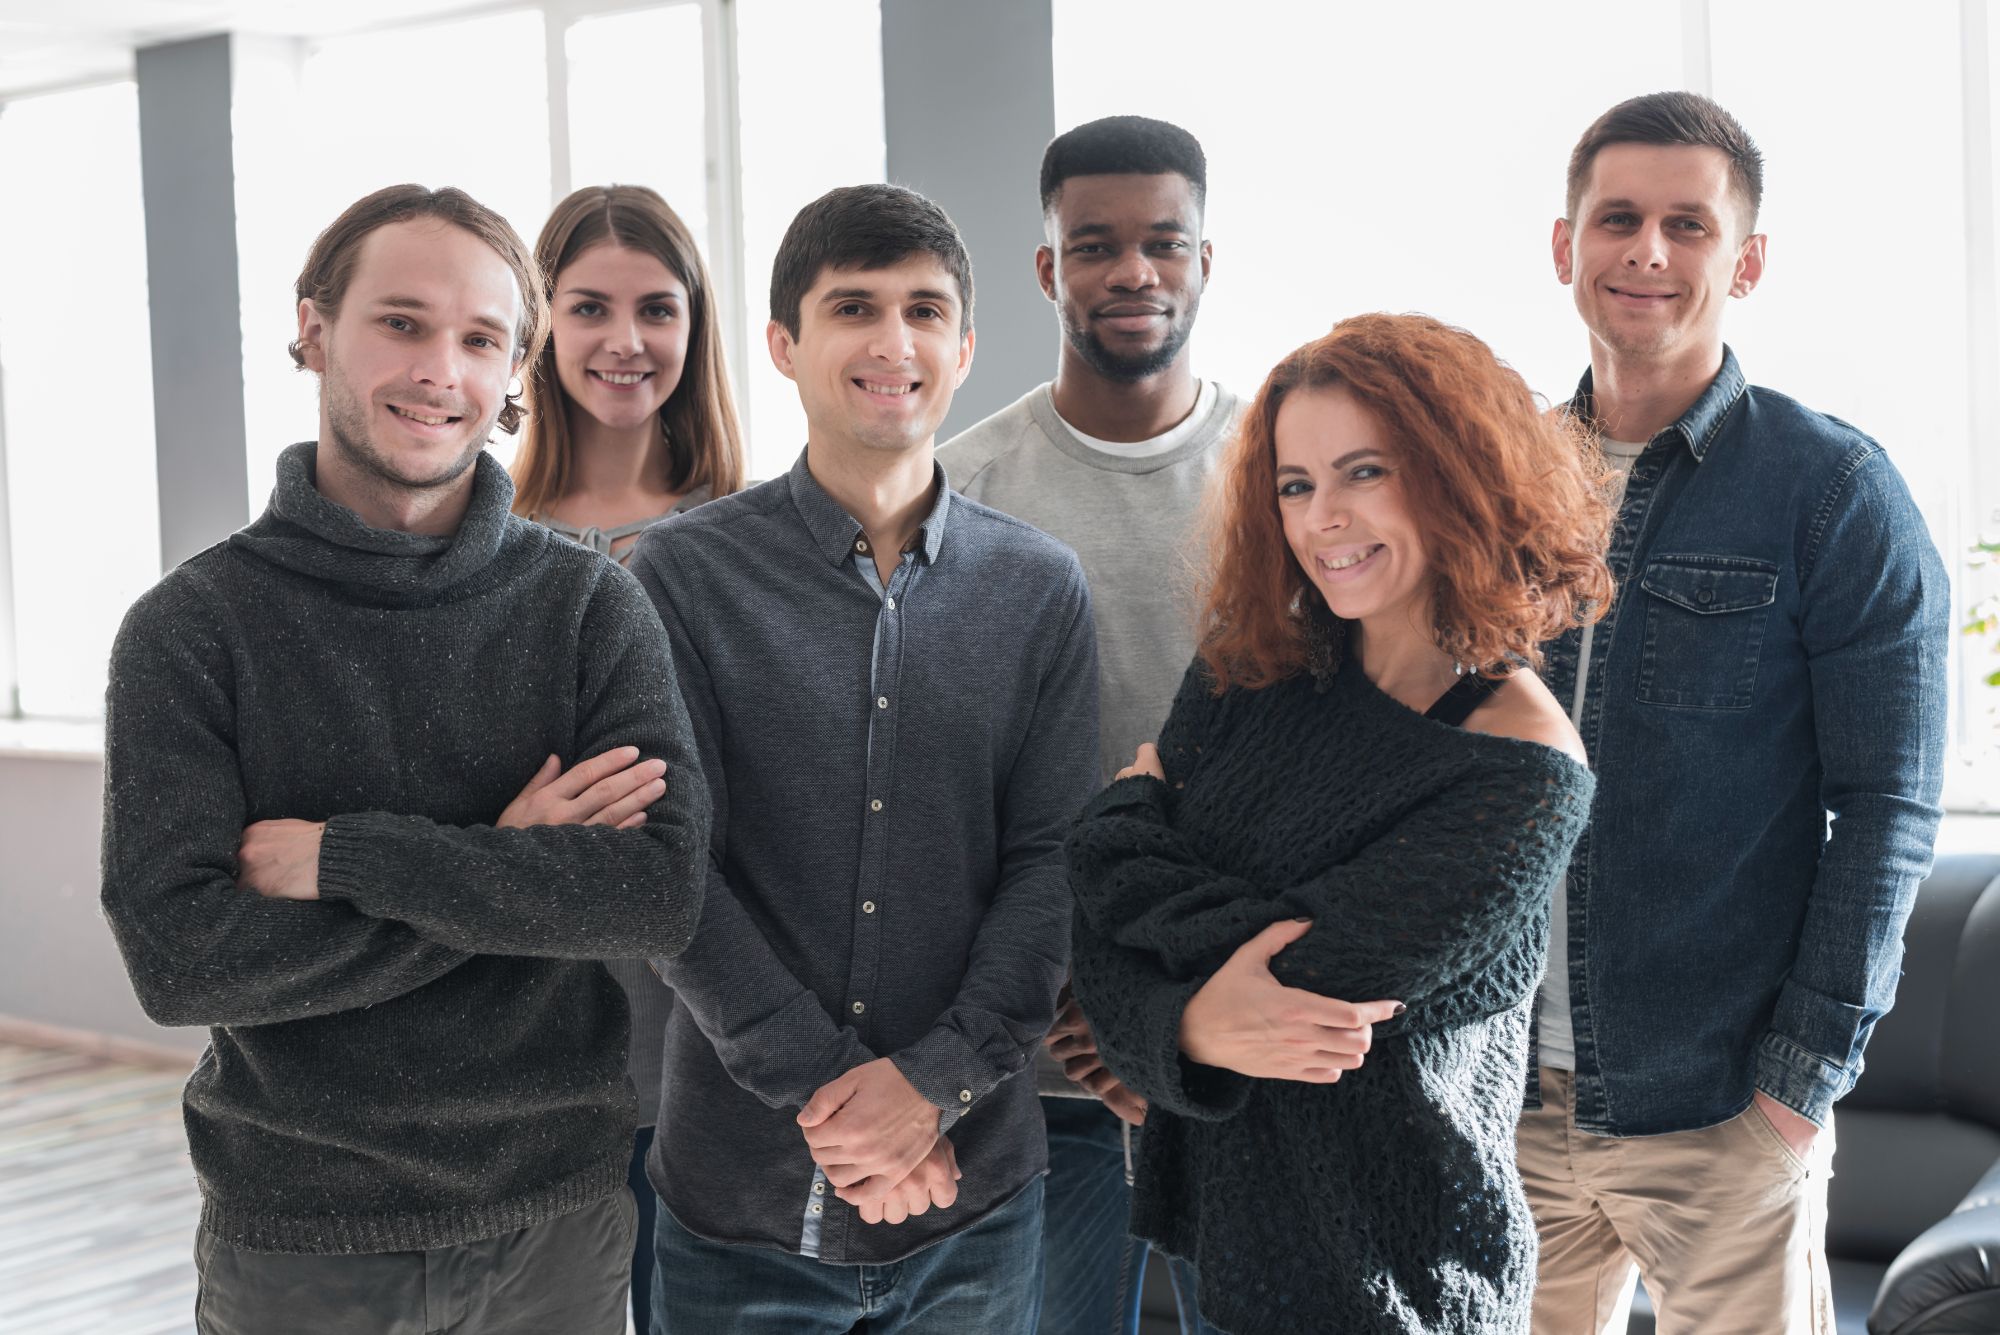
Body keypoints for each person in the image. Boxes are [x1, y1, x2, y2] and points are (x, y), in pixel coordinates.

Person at [99, 184, 711, 1335]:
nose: (441, 369)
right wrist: (514, 870)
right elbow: (182, 964)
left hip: (558, 1233)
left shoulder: (589, 609)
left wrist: (348, 859)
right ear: (314, 326)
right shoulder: (191, 629)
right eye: (402, 322)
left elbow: (652, 897)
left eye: (480, 338)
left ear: (515, 370)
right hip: (297, 1238)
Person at [1066, 313, 1615, 1335]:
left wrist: (1121, 826)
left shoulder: (1523, 770)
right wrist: (1186, 1020)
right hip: (1219, 1248)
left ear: (1456, 473)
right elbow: (1097, 944)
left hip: (1393, 1283)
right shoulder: (1249, 666)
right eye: (1294, 483)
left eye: (1363, 472)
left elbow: (1295, 1001)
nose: (1323, 517)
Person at [629, 183, 1100, 1334]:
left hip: (974, 1192)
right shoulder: (676, 578)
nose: (894, 342)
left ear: (965, 347)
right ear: (785, 344)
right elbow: (670, 873)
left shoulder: (1039, 587)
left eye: (925, 311)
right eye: (854, 308)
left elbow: (1052, 864)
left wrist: (932, 1085)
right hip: (739, 1201)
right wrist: (850, 1111)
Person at [1519, 91, 1950, 1335]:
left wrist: (1795, 1088)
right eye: (1615, 220)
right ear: (1564, 248)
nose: (1645, 252)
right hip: (1509, 1101)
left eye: (1685, 226)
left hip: (1716, 1110)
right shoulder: (1498, 481)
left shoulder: (1834, 492)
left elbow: (1885, 812)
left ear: (1742, 261)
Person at [937, 113, 1238, 1334]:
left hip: (1234, 1047)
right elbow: (944, 787)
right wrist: (1077, 1010)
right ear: (1047, 267)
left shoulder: (1290, 472)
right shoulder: (958, 488)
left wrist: (1173, 1029)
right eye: (1096, 245)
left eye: (1163, 242)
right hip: (1040, 1071)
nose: (1132, 272)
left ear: (1203, 263)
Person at [514, 182, 748, 1331]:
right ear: (538, 324)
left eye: (655, 308)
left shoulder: (756, 535)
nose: (623, 341)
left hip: (704, 1036)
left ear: (694, 326)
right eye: (587, 307)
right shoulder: (476, 536)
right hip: (523, 1034)